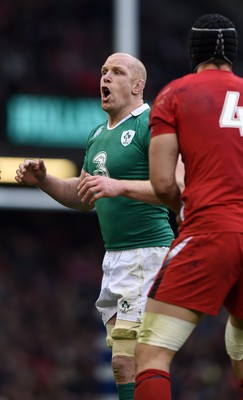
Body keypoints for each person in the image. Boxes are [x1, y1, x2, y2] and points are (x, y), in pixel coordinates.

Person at [15, 52, 176, 400]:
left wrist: (119, 186)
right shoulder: (97, 135)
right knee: (129, 368)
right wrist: (45, 180)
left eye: (117, 72)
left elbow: (174, 190)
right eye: (103, 71)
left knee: (125, 361)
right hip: (116, 259)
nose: (106, 78)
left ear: (137, 86)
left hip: (147, 253)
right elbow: (83, 194)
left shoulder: (151, 124)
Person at [134, 13, 243, 400]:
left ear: (193, 52)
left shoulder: (175, 95)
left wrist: (182, 206)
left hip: (210, 230)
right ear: (233, 54)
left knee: (152, 351)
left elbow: (164, 182)